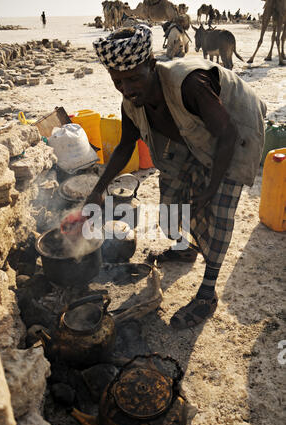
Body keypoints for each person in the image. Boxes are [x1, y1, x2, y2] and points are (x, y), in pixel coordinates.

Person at [71, 25, 267, 329]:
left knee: (216, 213)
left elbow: (227, 134)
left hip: (236, 129)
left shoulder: (189, 83)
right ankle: (187, 248)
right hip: (193, 134)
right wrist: (98, 189)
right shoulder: (131, 101)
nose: (126, 88)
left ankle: (206, 295)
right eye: (118, 81)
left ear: (152, 64)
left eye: (134, 78)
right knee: (173, 198)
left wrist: (212, 188)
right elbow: (125, 145)